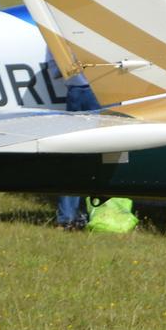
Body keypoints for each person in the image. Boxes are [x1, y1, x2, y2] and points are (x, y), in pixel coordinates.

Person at [54, 69, 101, 229]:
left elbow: (55, 68)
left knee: (74, 156)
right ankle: (103, 214)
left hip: (76, 89)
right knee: (106, 155)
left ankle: (67, 217)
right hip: (99, 89)